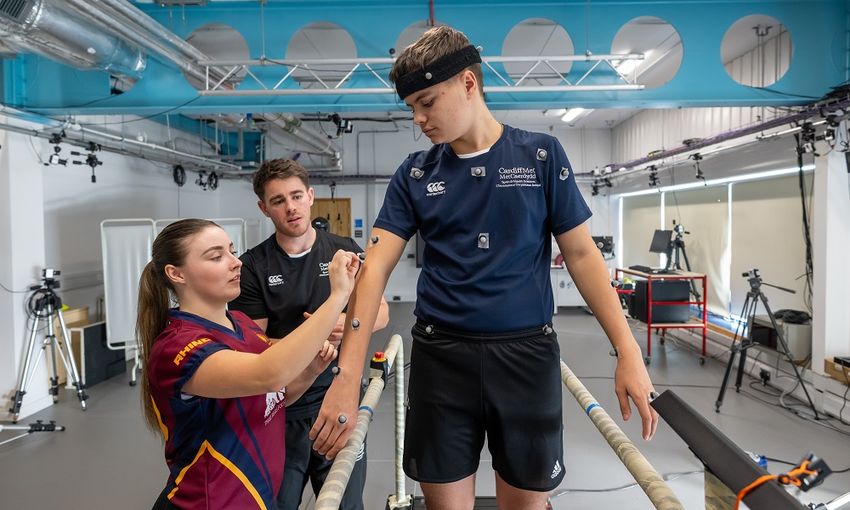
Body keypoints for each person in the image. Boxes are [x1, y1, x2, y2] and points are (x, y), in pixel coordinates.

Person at [309, 26, 659, 510]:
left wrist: (628, 351)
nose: (418, 118)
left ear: (469, 83)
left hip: (526, 357)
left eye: (427, 102)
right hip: (441, 359)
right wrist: (348, 379)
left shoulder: (540, 155)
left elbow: (581, 255)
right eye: (411, 107)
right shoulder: (415, 174)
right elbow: (375, 272)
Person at [138, 218, 360, 510]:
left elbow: (271, 397)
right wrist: (338, 296)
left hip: (259, 498)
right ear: (176, 274)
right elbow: (269, 374)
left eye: (232, 251)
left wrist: (309, 371)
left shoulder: (241, 323)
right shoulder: (178, 347)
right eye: (216, 257)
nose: (236, 262)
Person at [229, 159, 389, 510]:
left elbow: (381, 311)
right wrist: (313, 337)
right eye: (278, 200)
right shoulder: (253, 267)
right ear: (264, 208)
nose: (291, 207)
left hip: (338, 398)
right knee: (280, 503)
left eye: (296, 196)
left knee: (347, 503)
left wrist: (347, 322)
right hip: (282, 409)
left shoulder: (343, 250)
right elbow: (253, 345)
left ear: (311, 196)